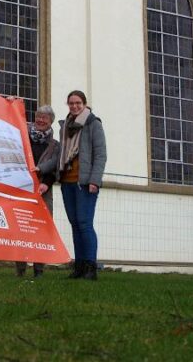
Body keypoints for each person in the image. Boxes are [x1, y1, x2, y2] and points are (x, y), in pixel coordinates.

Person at [58, 90, 106, 280]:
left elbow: (100, 154)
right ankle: (78, 266)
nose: (74, 106)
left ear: (84, 104)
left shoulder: (93, 124)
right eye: (71, 103)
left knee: (85, 224)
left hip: (85, 183)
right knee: (75, 224)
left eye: (78, 103)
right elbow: (61, 152)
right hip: (67, 181)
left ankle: (90, 267)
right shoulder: (65, 126)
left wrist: (95, 180)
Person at [13, 104, 59, 278]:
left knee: (41, 230)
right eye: (38, 116)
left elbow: (55, 167)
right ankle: (20, 270)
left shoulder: (55, 145)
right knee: (20, 228)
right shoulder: (23, 136)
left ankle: (38, 270)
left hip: (42, 190)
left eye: (44, 118)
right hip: (21, 188)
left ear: (50, 122)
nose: (40, 120)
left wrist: (46, 183)